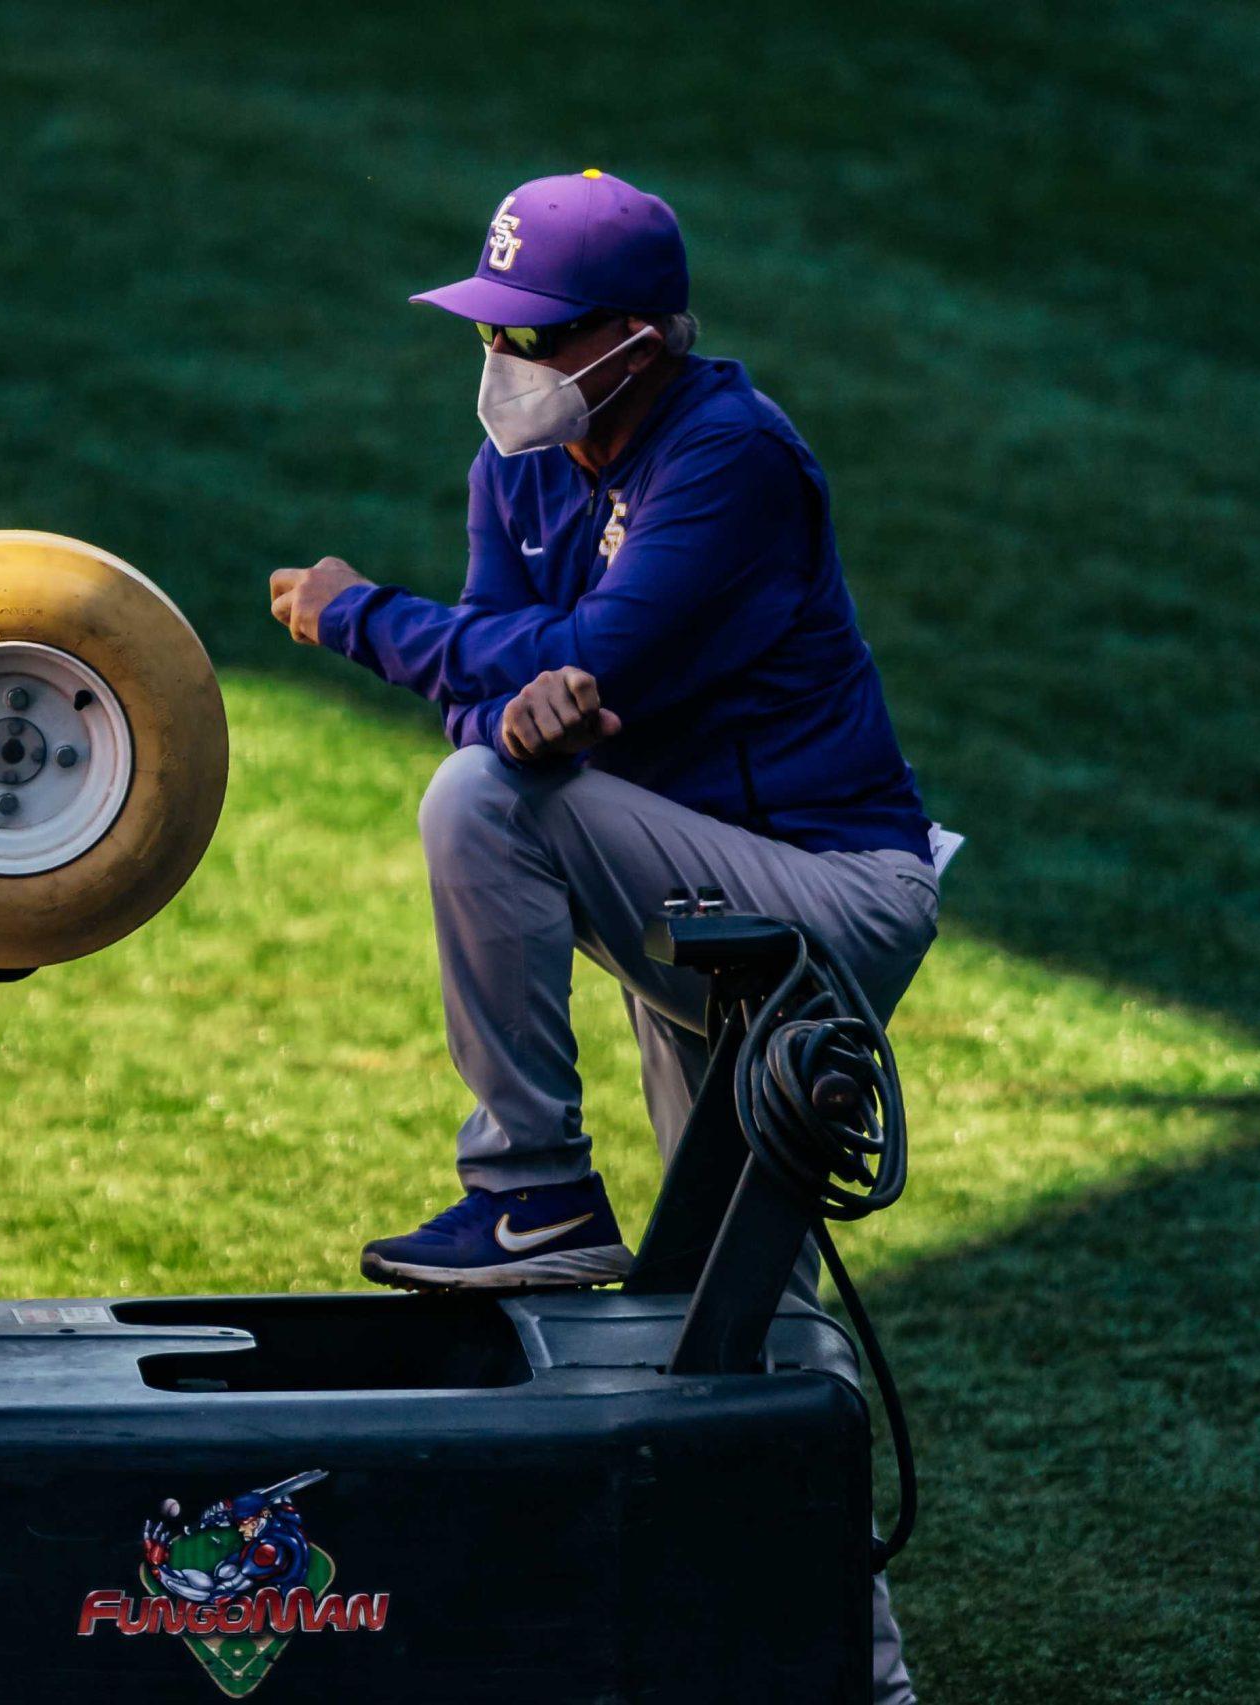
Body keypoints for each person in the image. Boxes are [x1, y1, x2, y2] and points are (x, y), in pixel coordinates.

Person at [268, 170, 947, 1701]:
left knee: (480, 805)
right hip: (688, 896)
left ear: (634, 338)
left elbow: (591, 655)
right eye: (495, 325)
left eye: (535, 331)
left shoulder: (734, 459)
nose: (502, 357)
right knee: (743, 1309)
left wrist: (355, 612)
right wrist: (512, 689)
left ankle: (530, 1192)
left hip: (820, 890)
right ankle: (870, 1681)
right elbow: (505, 675)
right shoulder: (520, 468)